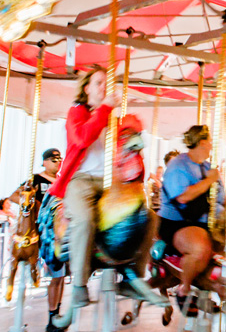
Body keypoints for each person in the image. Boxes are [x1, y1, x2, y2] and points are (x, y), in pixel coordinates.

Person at [49, 66, 153, 310]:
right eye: (98, 82)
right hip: (81, 180)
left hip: (109, 184)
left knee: (147, 217)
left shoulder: (112, 120)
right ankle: (79, 285)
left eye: (107, 82)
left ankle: (133, 276)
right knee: (84, 219)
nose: (104, 86)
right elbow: (82, 138)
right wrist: (105, 108)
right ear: (86, 88)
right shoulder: (76, 112)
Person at [159, 125, 223, 313]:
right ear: (202, 143)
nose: (211, 146)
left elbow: (220, 198)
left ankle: (217, 288)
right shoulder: (178, 165)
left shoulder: (207, 167)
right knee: (199, 247)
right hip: (178, 222)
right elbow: (183, 197)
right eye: (210, 142)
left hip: (204, 221)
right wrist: (209, 181)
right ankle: (184, 291)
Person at [30, 148, 68, 332]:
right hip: (45, 232)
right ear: (44, 162)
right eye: (53, 160)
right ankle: (52, 316)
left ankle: (56, 314)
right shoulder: (36, 181)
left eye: (59, 160)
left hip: (60, 232)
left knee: (60, 276)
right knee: (56, 276)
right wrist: (36, 210)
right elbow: (19, 196)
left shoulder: (63, 180)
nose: (57, 163)